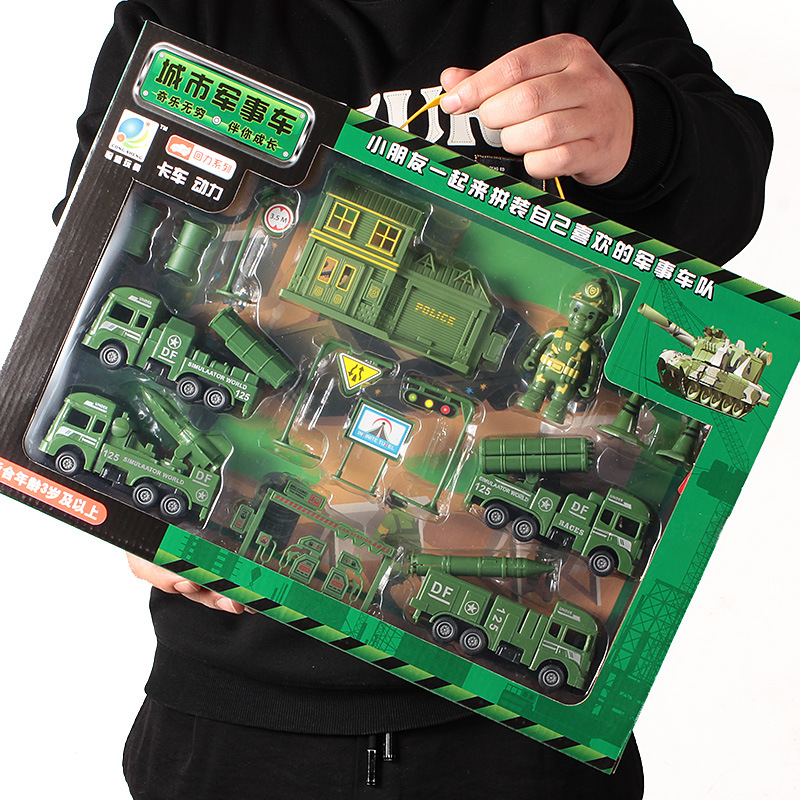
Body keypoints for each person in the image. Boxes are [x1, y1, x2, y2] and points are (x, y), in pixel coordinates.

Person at [58, 2, 771, 797]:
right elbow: (89, 267)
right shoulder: (189, 14)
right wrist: (124, 495)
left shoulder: (585, 10)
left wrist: (640, 129)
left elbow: (732, 184)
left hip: (520, 729)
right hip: (233, 699)